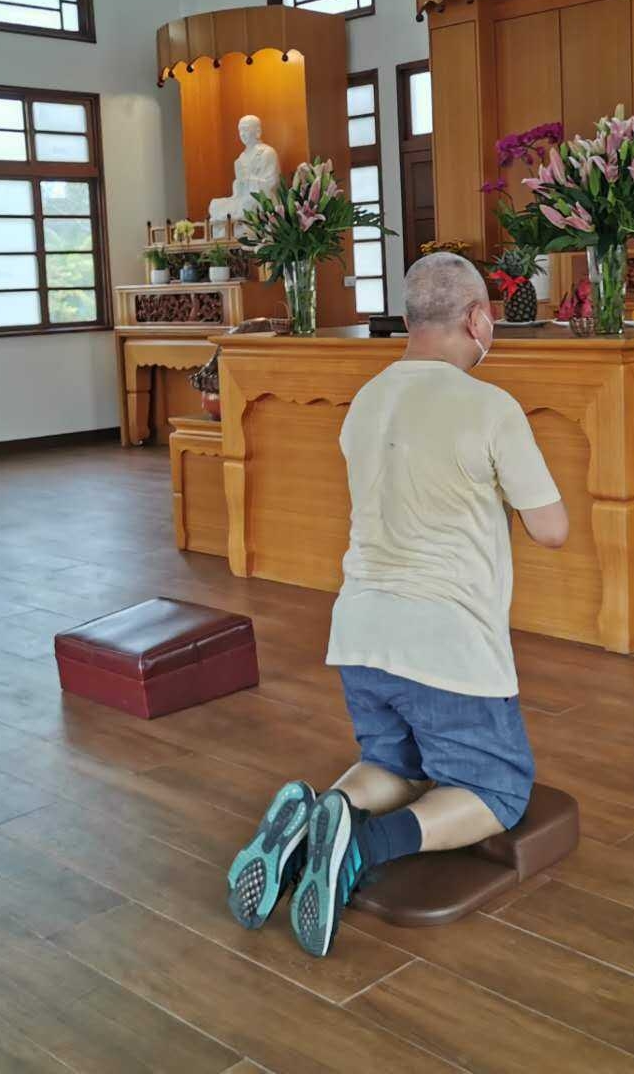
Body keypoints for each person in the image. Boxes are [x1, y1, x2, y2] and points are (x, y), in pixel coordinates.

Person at [225, 252, 568, 957]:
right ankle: (362, 846)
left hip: (359, 636)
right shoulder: (489, 406)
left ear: (410, 321)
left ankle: (323, 817)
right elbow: (552, 529)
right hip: (445, 645)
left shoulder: (368, 400)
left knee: (397, 764)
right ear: (479, 320)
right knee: (497, 791)